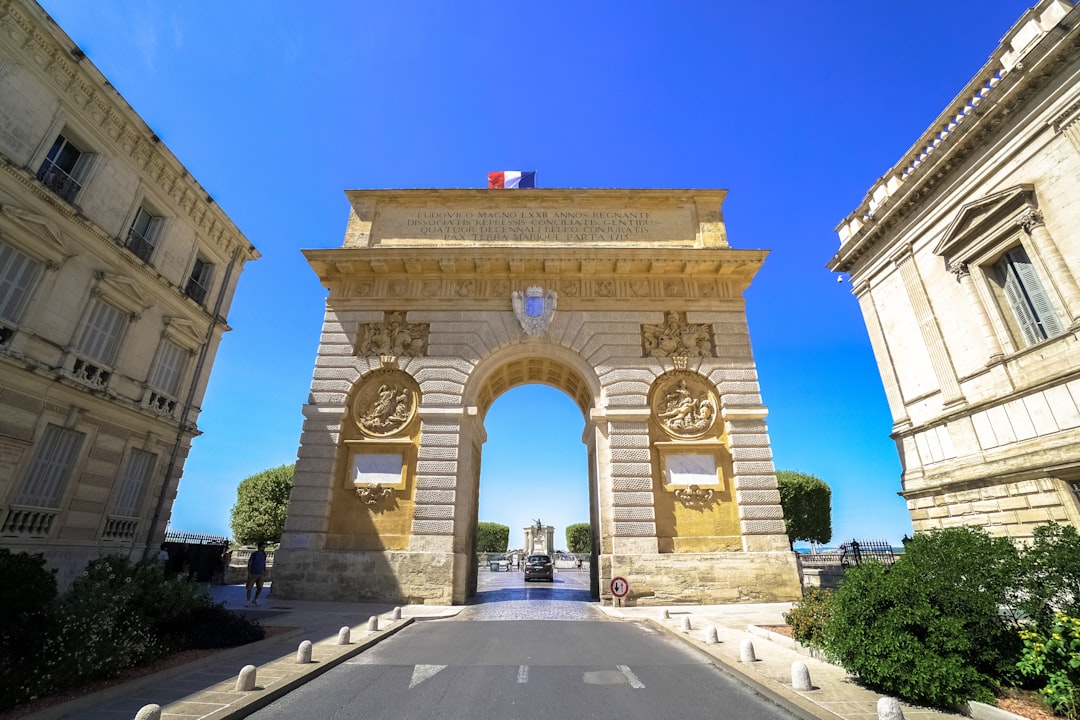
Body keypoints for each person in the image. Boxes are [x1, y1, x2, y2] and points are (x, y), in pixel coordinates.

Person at [245, 542, 267, 606]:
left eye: (264, 547)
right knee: (249, 588)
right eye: (262, 547)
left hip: (260, 574)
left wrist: (264, 570)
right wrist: (249, 572)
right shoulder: (254, 554)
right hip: (253, 573)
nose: (263, 548)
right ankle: (248, 601)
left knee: (260, 587)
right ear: (259, 547)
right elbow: (250, 563)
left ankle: (255, 599)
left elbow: (264, 562)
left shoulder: (264, 554)